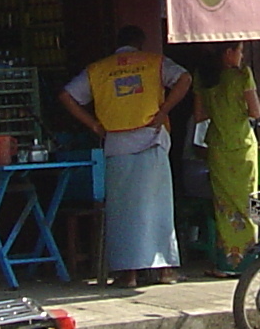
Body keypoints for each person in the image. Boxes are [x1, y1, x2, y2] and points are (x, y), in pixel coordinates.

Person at [59, 27, 193, 285]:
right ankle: (164, 270)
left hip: (117, 144)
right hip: (151, 141)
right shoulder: (153, 62)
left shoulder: (99, 69)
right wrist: (164, 110)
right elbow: (185, 79)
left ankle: (128, 274)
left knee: (123, 212)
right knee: (159, 208)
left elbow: (66, 95)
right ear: (139, 44)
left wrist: (93, 124)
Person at [201, 41, 260, 273]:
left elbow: (199, 114)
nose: (241, 56)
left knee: (223, 204)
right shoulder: (242, 75)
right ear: (228, 53)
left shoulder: (204, 78)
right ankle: (247, 261)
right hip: (241, 144)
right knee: (248, 200)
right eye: (240, 51)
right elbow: (255, 111)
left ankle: (225, 260)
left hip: (217, 145)